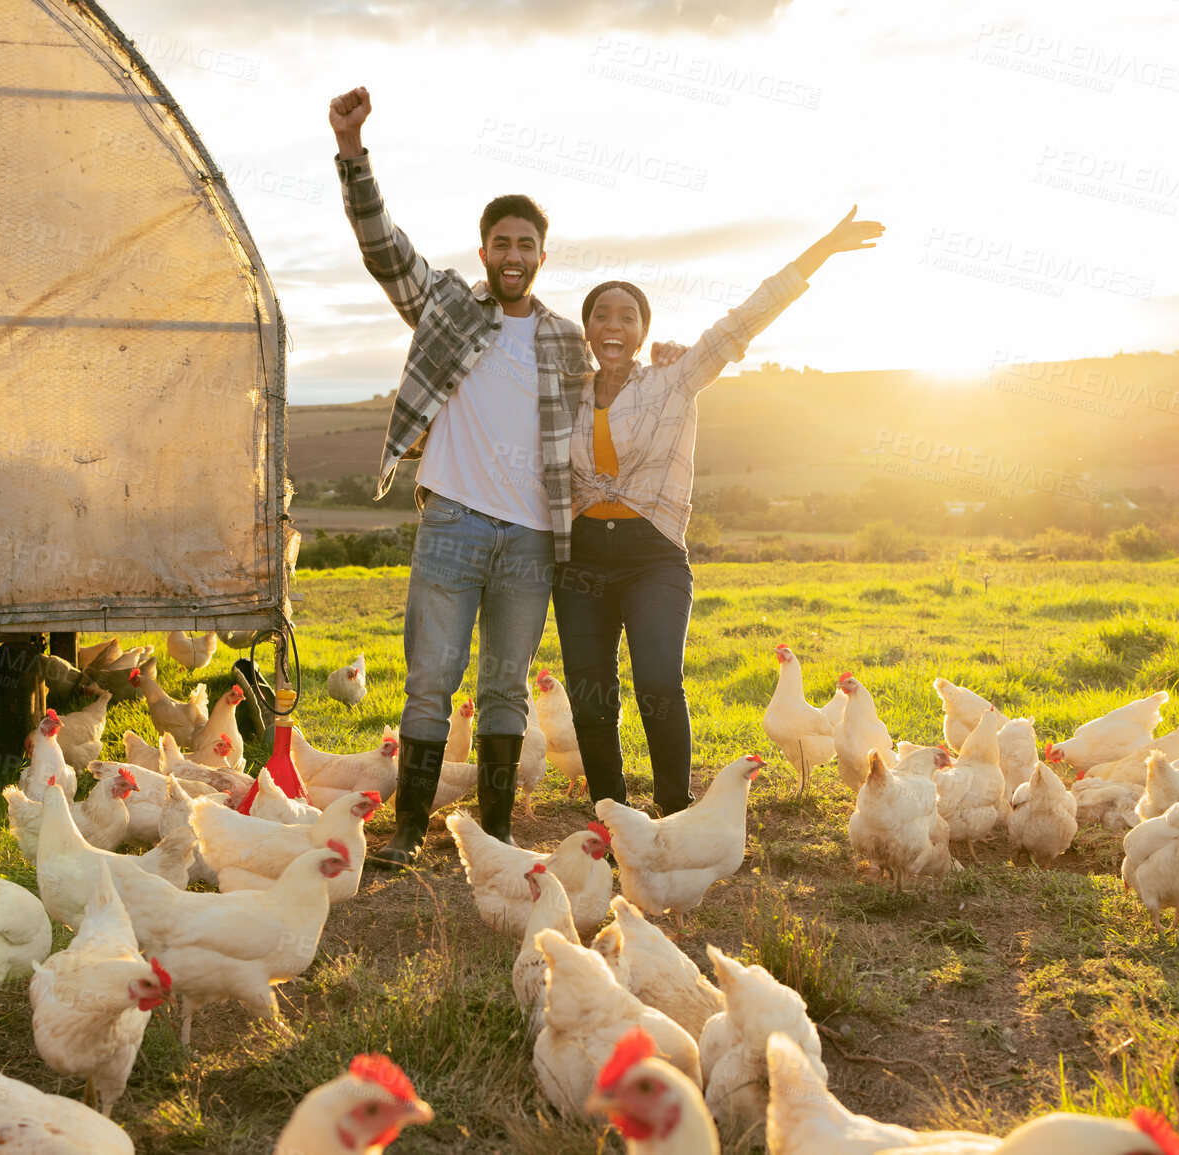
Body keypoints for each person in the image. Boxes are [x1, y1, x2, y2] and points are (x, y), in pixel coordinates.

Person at [329, 87, 680, 867]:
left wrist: (669, 365)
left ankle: (488, 835)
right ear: (483, 250)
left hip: (529, 540)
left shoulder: (562, 340)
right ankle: (412, 829)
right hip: (452, 525)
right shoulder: (449, 307)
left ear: (541, 257)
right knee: (429, 685)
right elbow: (384, 249)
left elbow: (617, 394)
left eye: (527, 244)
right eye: (502, 243)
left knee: (504, 692)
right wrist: (352, 151)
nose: (514, 255)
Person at [552, 208, 885, 815]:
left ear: (644, 329)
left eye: (628, 315)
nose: (613, 324)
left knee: (657, 682)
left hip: (652, 557)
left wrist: (826, 248)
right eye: (601, 314)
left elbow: (747, 317)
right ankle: (611, 817)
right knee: (590, 696)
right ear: (587, 329)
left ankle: (676, 810)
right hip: (579, 560)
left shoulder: (674, 380)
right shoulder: (564, 393)